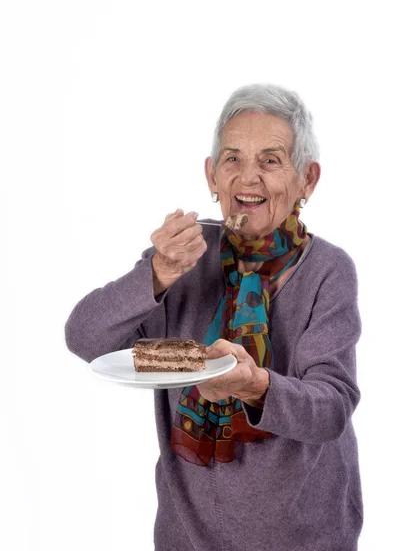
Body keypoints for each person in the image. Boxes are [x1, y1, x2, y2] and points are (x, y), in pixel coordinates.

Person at [65, 83, 363, 551]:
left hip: (303, 536)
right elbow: (86, 338)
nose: (248, 178)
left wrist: (255, 386)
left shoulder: (328, 271)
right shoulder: (183, 259)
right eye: (232, 159)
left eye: (270, 160)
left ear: (307, 179)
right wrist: (158, 273)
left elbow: (330, 410)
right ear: (211, 176)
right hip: (187, 536)